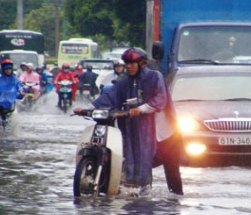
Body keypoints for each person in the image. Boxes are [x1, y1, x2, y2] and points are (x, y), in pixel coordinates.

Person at [75, 48, 185, 195]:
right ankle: (132, 190)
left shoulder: (154, 77)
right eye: (127, 63)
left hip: (163, 134)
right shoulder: (123, 83)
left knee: (172, 173)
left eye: (133, 63)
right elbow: (109, 97)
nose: (128, 66)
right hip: (135, 127)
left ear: (142, 64)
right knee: (130, 158)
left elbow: (160, 98)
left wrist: (141, 109)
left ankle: (174, 201)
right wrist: (87, 108)